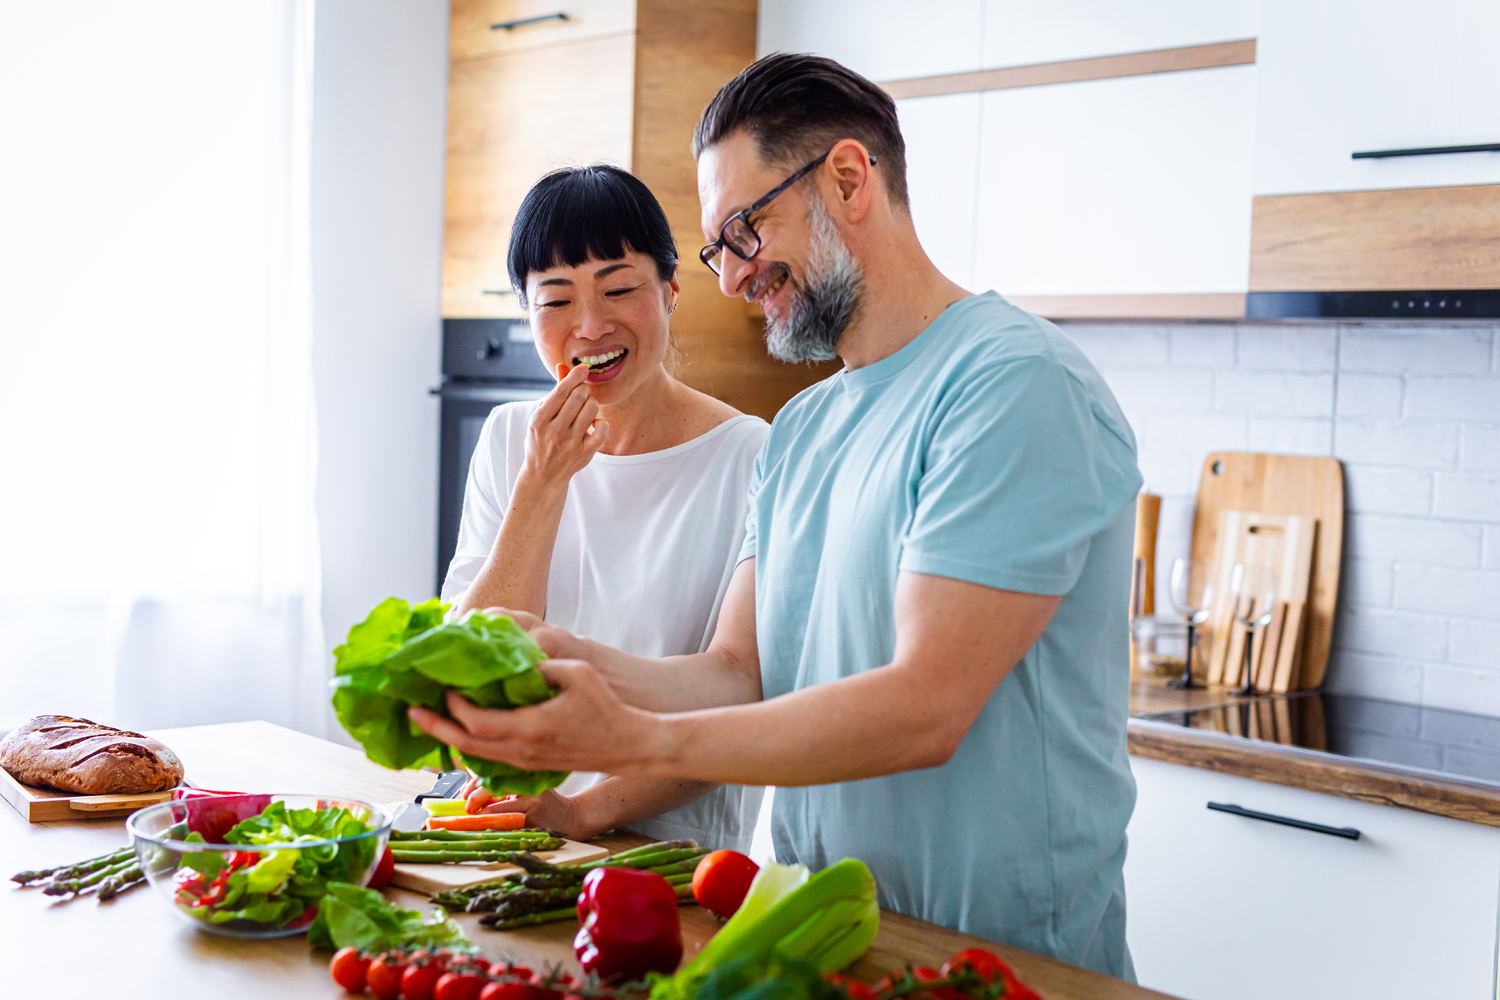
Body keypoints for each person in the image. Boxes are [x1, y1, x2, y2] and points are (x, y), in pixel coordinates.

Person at [415, 55, 1142, 978]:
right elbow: (738, 672)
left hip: (997, 956)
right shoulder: (804, 430)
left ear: (847, 179)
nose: (731, 279)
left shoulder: (1011, 384)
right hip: (813, 934)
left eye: (745, 231)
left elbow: (926, 708)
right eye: (720, 248)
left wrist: (626, 741)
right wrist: (572, 660)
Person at [440, 164, 767, 853]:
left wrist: (583, 811)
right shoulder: (508, 440)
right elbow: (467, 673)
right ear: (526, 312)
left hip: (672, 860)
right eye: (555, 300)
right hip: (511, 837)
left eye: (619, 289)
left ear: (672, 290)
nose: (590, 326)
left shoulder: (753, 456)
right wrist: (541, 485)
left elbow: (742, 694)